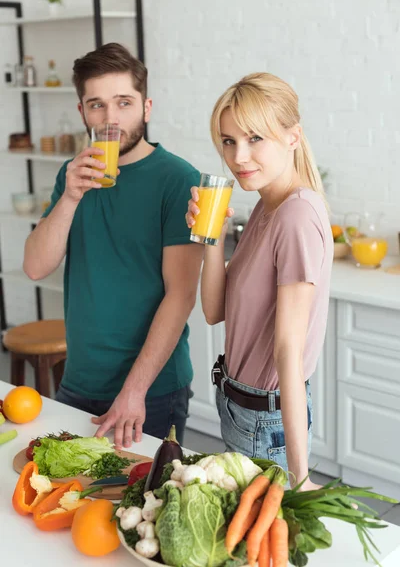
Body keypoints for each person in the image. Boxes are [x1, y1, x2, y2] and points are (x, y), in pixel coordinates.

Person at [23, 43, 203, 448]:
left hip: (151, 391)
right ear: (82, 112)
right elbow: (35, 266)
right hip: (78, 380)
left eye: (124, 102)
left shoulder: (178, 180)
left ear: (147, 107)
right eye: (97, 105)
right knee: (73, 496)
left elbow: (181, 295)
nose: (111, 118)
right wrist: (69, 196)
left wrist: (134, 391)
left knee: (136, 506)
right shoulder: (74, 174)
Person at [186, 73, 333, 490]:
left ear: (292, 137)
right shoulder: (266, 206)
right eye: (229, 141)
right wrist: (209, 235)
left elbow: (289, 348)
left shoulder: (296, 215)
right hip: (237, 406)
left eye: (254, 139)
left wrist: (300, 478)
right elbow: (215, 311)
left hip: (265, 421)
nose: (239, 156)